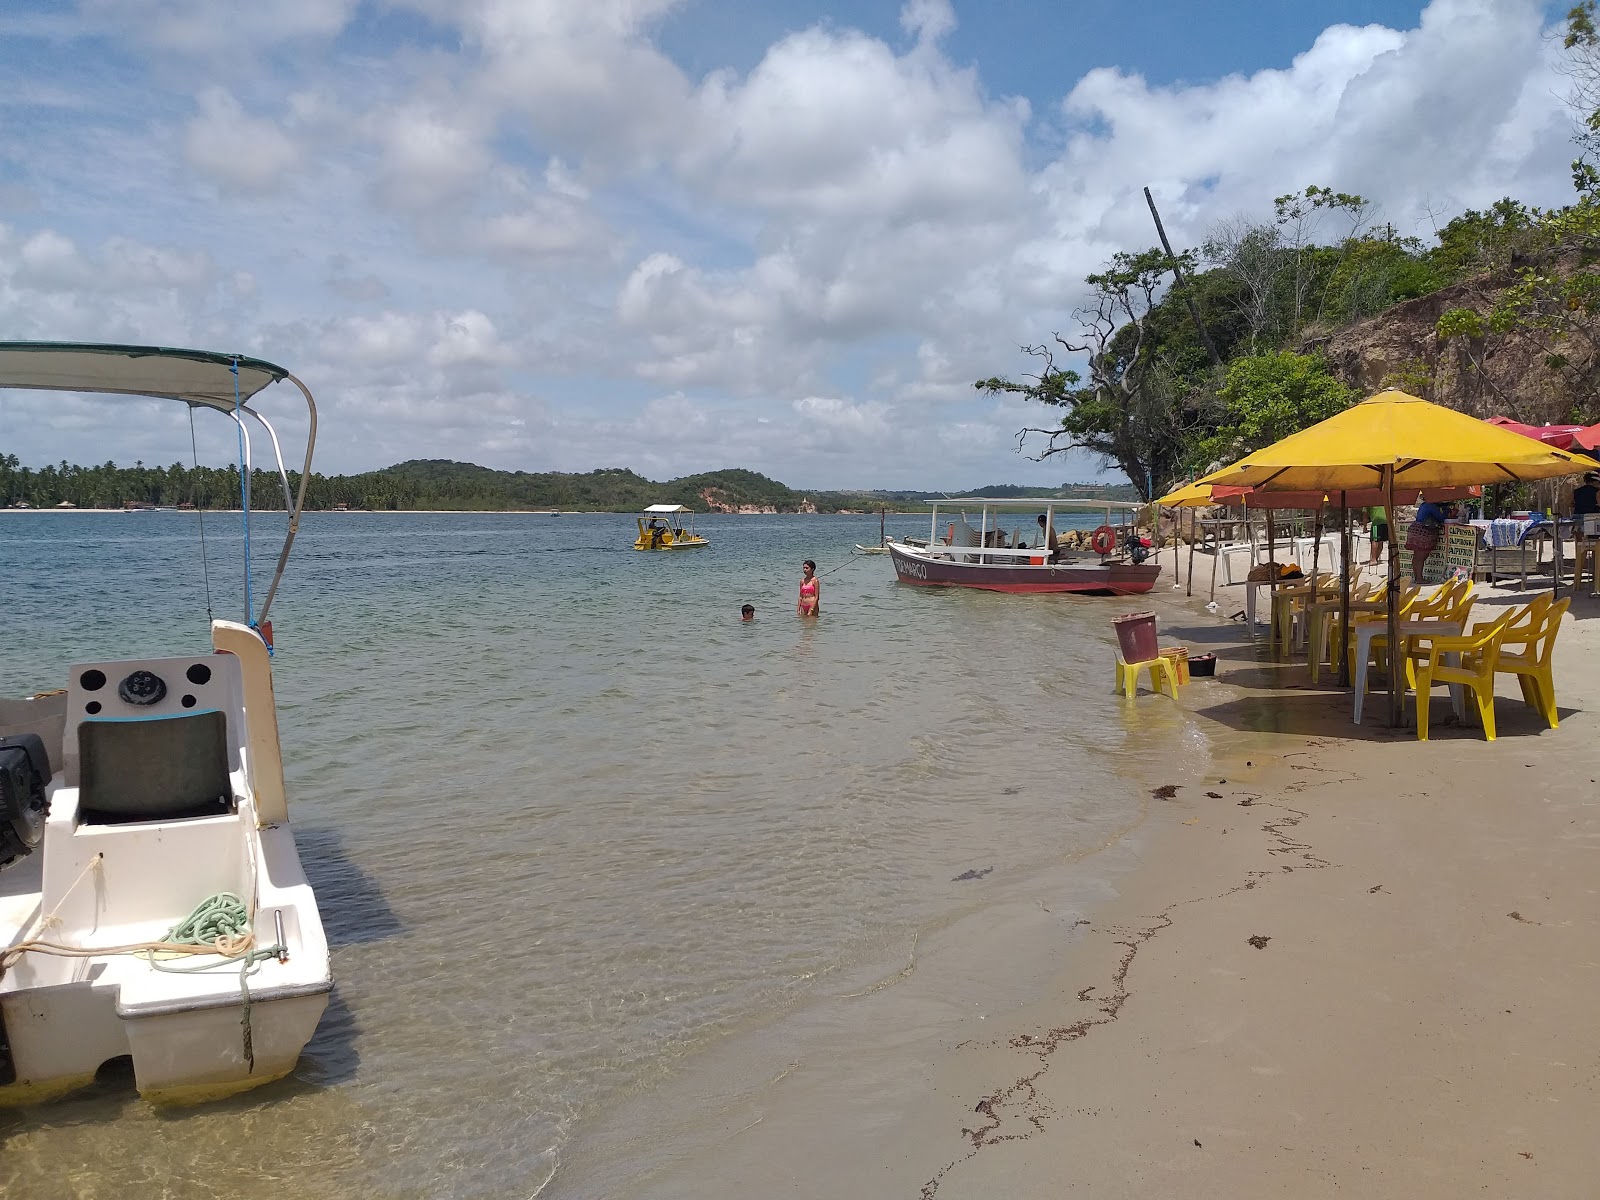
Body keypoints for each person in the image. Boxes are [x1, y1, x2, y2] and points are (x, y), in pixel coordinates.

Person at [1406, 499, 1449, 582]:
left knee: (1417, 556)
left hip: (1415, 529)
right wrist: (1447, 511)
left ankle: (1417, 577)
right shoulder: (1430, 506)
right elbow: (1441, 518)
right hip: (1423, 531)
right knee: (1421, 556)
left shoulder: (1424, 505)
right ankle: (1419, 578)